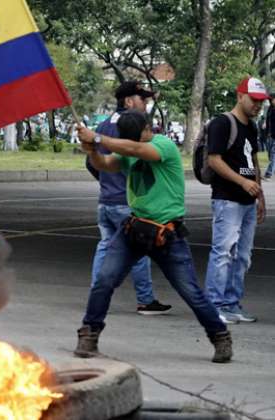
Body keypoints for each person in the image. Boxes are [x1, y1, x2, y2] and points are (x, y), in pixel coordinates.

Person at [74, 111, 232, 363]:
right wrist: (92, 150)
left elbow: (137, 150)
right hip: (134, 228)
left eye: (136, 138)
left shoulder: (164, 145)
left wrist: (97, 138)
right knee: (104, 279)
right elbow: (105, 165)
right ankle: (89, 334)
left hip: (166, 233)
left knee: (190, 291)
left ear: (149, 129)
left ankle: (220, 335)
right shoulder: (130, 149)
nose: (133, 142)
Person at [87, 80, 171, 315]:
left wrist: (106, 180)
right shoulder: (131, 128)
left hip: (106, 200)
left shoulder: (102, 126)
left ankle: (97, 293)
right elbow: (139, 156)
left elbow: (91, 162)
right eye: (142, 100)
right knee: (139, 249)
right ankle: (145, 299)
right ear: (129, 101)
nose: (145, 104)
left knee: (105, 246)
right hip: (127, 200)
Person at [204, 77, 269, 324]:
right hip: (227, 199)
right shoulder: (222, 123)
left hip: (247, 201)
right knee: (223, 252)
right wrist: (242, 182)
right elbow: (214, 160)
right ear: (239, 95)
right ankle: (215, 304)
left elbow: (253, 162)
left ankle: (232, 303)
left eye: (261, 103)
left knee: (243, 255)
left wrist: (259, 194)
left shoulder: (251, 127)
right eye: (254, 100)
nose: (258, 106)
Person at [264, 96, 275, 180]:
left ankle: (269, 173)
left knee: (273, 154)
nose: (271, 101)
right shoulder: (270, 109)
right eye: (270, 100)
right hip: (270, 135)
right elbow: (268, 122)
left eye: (272, 99)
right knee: (269, 154)